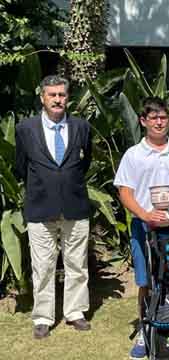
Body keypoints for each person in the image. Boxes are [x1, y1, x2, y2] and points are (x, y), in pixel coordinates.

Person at [113, 97, 169, 359]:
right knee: (146, 281)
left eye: (163, 117)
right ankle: (145, 330)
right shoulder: (133, 155)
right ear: (143, 121)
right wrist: (145, 214)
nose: (159, 122)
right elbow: (124, 192)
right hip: (144, 227)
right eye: (153, 117)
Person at [15, 75, 93, 339]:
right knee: (43, 266)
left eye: (62, 95)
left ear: (67, 97)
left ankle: (75, 312)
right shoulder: (26, 129)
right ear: (42, 97)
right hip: (40, 208)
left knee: (77, 263)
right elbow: (21, 166)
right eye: (52, 95)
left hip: (75, 206)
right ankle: (43, 317)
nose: (57, 99)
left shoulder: (81, 127)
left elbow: (86, 162)